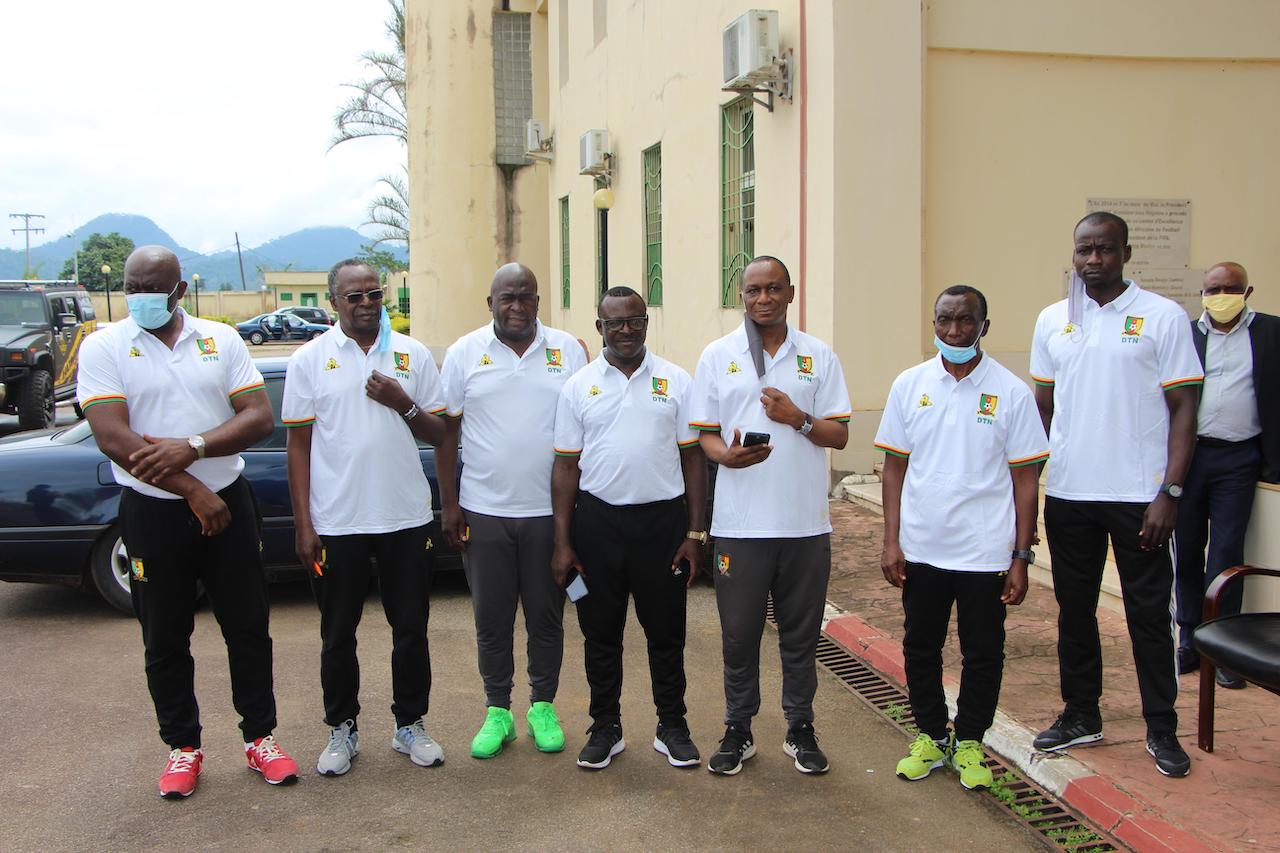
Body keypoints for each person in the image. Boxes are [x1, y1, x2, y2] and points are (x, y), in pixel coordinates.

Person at [76, 246, 299, 799]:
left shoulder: (220, 339)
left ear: (180, 290)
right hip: (153, 510)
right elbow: (113, 436)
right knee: (164, 634)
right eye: (132, 287)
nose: (141, 297)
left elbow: (258, 417)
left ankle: (260, 738)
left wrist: (193, 447)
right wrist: (193, 489)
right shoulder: (105, 345)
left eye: (153, 287)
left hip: (230, 502)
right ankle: (183, 746)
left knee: (248, 627)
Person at [1029, 212, 1203, 778]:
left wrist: (1169, 491)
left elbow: (1185, 409)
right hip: (1071, 493)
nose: (1093, 260)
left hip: (1140, 498)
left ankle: (1162, 727)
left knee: (1148, 615)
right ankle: (1082, 714)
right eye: (1084, 249)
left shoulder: (1163, 316)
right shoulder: (1052, 319)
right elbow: (1044, 407)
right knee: (1074, 611)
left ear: (1126, 253)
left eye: (1105, 249)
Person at [877, 285, 1048, 791]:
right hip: (923, 547)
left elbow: (1025, 480)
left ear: (984, 327)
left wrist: (1021, 555)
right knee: (920, 647)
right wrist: (891, 540)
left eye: (965, 320)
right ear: (934, 324)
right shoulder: (910, 384)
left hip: (985, 551)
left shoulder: (1011, 392)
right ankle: (931, 736)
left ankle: (970, 740)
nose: (954, 331)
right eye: (944, 320)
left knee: (984, 652)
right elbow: (893, 468)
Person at [688, 255, 852, 776]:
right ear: (742, 295)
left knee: (800, 637)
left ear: (790, 293)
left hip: (804, 525)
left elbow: (840, 434)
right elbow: (705, 434)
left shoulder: (818, 356)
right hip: (741, 526)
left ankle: (800, 728)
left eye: (774, 288)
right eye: (754, 290)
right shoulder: (718, 355)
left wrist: (798, 419)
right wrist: (726, 457)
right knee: (739, 637)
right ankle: (738, 729)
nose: (764, 298)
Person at [283, 259, 447, 776]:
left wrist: (403, 402)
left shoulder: (411, 354)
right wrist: (304, 524)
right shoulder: (310, 359)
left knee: (411, 629)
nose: (366, 304)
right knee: (337, 634)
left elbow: (441, 434)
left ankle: (410, 724)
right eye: (353, 296)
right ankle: (342, 729)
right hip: (338, 521)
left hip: (405, 517)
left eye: (374, 294)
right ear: (333, 302)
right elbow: (298, 445)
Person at [550, 286, 708, 771]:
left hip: (663, 525)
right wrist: (562, 542)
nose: (626, 330)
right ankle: (605, 726)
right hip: (598, 525)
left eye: (635, 320)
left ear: (646, 322)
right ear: (600, 327)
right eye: (615, 322)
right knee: (600, 634)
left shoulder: (676, 380)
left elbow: (693, 460)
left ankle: (672, 726)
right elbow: (565, 468)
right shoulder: (578, 386)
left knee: (667, 633)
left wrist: (695, 534)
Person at [437, 262, 587, 759]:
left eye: (526, 297)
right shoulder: (464, 353)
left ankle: (542, 707)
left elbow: (585, 426)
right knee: (492, 619)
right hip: (484, 511)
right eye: (508, 297)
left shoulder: (568, 351)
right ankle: (497, 711)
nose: (517, 306)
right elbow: (447, 434)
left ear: (539, 301)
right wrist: (450, 504)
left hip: (550, 514)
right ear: (491, 303)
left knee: (546, 617)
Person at [1175, 262, 1280, 688]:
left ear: (1247, 292)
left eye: (1230, 289)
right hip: (1190, 457)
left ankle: (1222, 646)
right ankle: (1188, 637)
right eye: (1213, 289)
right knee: (1186, 549)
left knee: (1226, 553)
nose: (1221, 297)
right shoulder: (1187, 334)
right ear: (1202, 293)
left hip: (1240, 458)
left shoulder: (1271, 332)